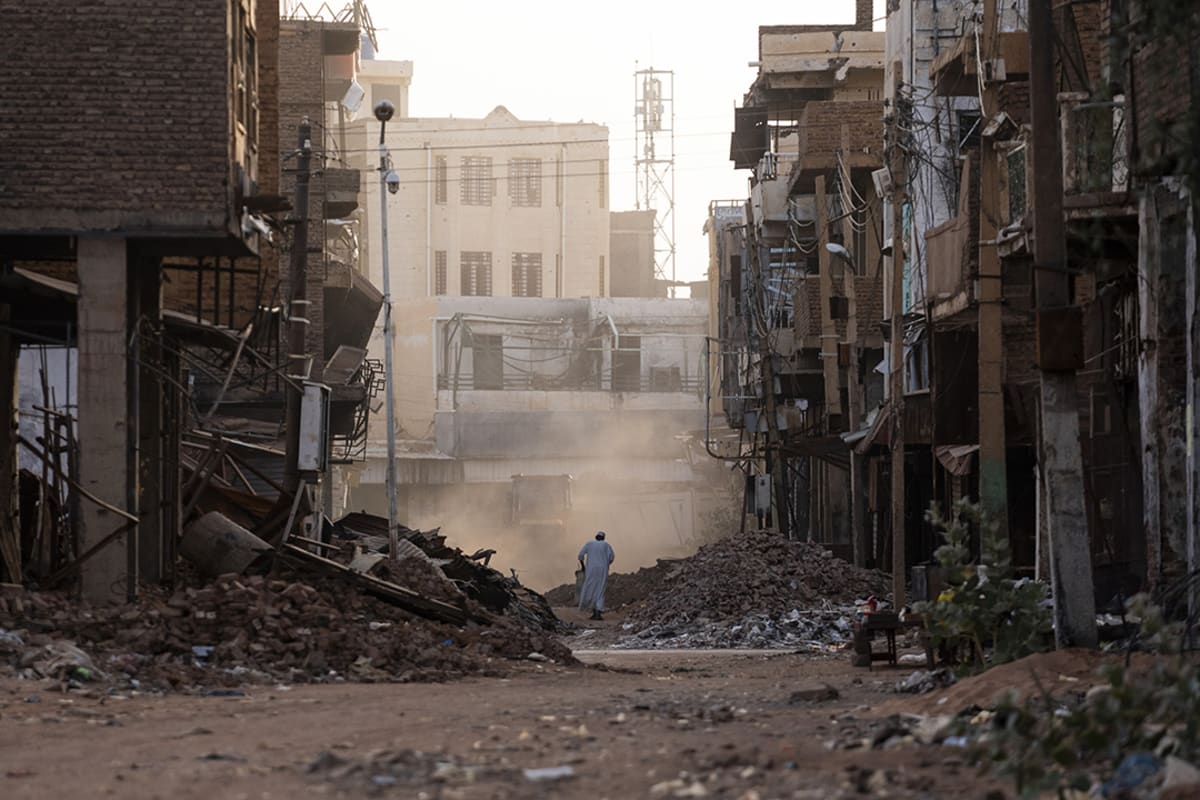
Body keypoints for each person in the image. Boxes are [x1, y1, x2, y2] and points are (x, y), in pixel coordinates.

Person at [577, 531, 615, 621]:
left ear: (596, 537)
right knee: (600, 590)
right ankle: (597, 613)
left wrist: (583, 567)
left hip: (591, 570)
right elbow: (611, 558)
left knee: (590, 589)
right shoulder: (606, 545)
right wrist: (605, 564)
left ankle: (594, 613)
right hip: (603, 570)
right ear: (603, 538)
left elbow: (580, 556)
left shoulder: (589, 544)